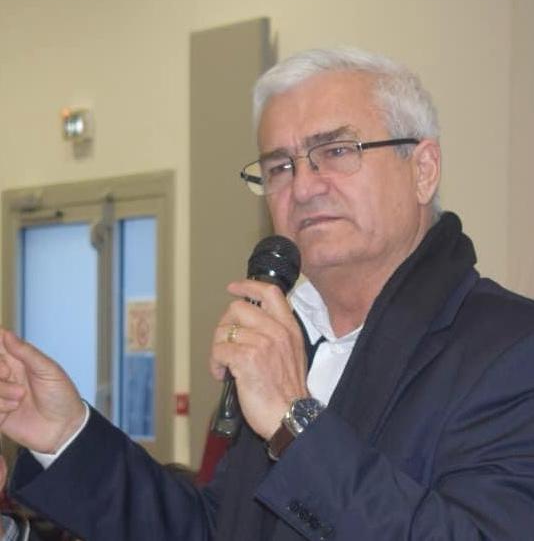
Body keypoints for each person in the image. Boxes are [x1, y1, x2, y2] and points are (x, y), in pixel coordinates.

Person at [1, 46, 534, 540]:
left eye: (337, 150)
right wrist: (66, 435)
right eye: (280, 166)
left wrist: (294, 422)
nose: (303, 187)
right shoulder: (287, 336)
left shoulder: (511, 351)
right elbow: (218, 529)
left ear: (423, 170)